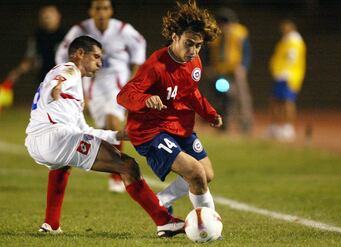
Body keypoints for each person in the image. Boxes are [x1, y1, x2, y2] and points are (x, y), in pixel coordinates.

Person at [25, 36, 184, 237]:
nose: (100, 63)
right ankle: (165, 221)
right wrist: (58, 86)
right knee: (127, 166)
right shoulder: (69, 70)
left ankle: (51, 224)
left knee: (63, 163)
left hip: (37, 142)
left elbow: (83, 130)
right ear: (80, 54)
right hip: (57, 137)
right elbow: (61, 78)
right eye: (96, 56)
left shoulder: (73, 91)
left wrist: (119, 135)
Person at [117, 0, 222, 216]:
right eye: (189, 43)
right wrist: (145, 99)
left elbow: (190, 92)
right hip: (151, 130)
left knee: (207, 174)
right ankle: (209, 226)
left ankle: (161, 201)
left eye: (198, 45)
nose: (193, 50)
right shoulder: (155, 66)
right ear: (175, 37)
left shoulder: (194, 62)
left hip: (177, 125)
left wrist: (209, 113)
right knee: (195, 172)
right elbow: (124, 95)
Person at [56, 0, 146, 193]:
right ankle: (115, 166)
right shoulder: (80, 30)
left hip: (118, 85)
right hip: (92, 85)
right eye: (97, 8)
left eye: (105, 8)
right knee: (104, 129)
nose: (101, 12)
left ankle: (117, 174)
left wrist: (133, 81)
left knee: (113, 123)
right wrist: (72, 81)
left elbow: (140, 49)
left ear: (111, 10)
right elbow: (62, 55)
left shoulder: (123, 29)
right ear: (91, 11)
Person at [0, 5, 66, 112]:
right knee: (46, 111)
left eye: (49, 15)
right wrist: (16, 73)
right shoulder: (37, 36)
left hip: (63, 79)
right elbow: (30, 59)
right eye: (44, 16)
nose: (46, 18)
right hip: (43, 79)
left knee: (61, 110)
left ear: (58, 16)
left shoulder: (66, 36)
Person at [205, 7, 254, 134]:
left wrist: (243, 66)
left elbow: (246, 51)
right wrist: (207, 67)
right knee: (222, 96)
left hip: (235, 70)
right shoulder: (214, 34)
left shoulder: (240, 33)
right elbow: (207, 52)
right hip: (220, 71)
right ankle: (223, 123)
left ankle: (245, 125)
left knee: (242, 97)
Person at [268, 19, 306, 141]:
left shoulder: (294, 41)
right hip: (281, 75)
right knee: (276, 101)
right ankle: (276, 127)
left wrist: (284, 72)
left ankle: (288, 128)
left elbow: (291, 58)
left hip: (288, 76)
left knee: (287, 102)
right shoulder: (287, 40)